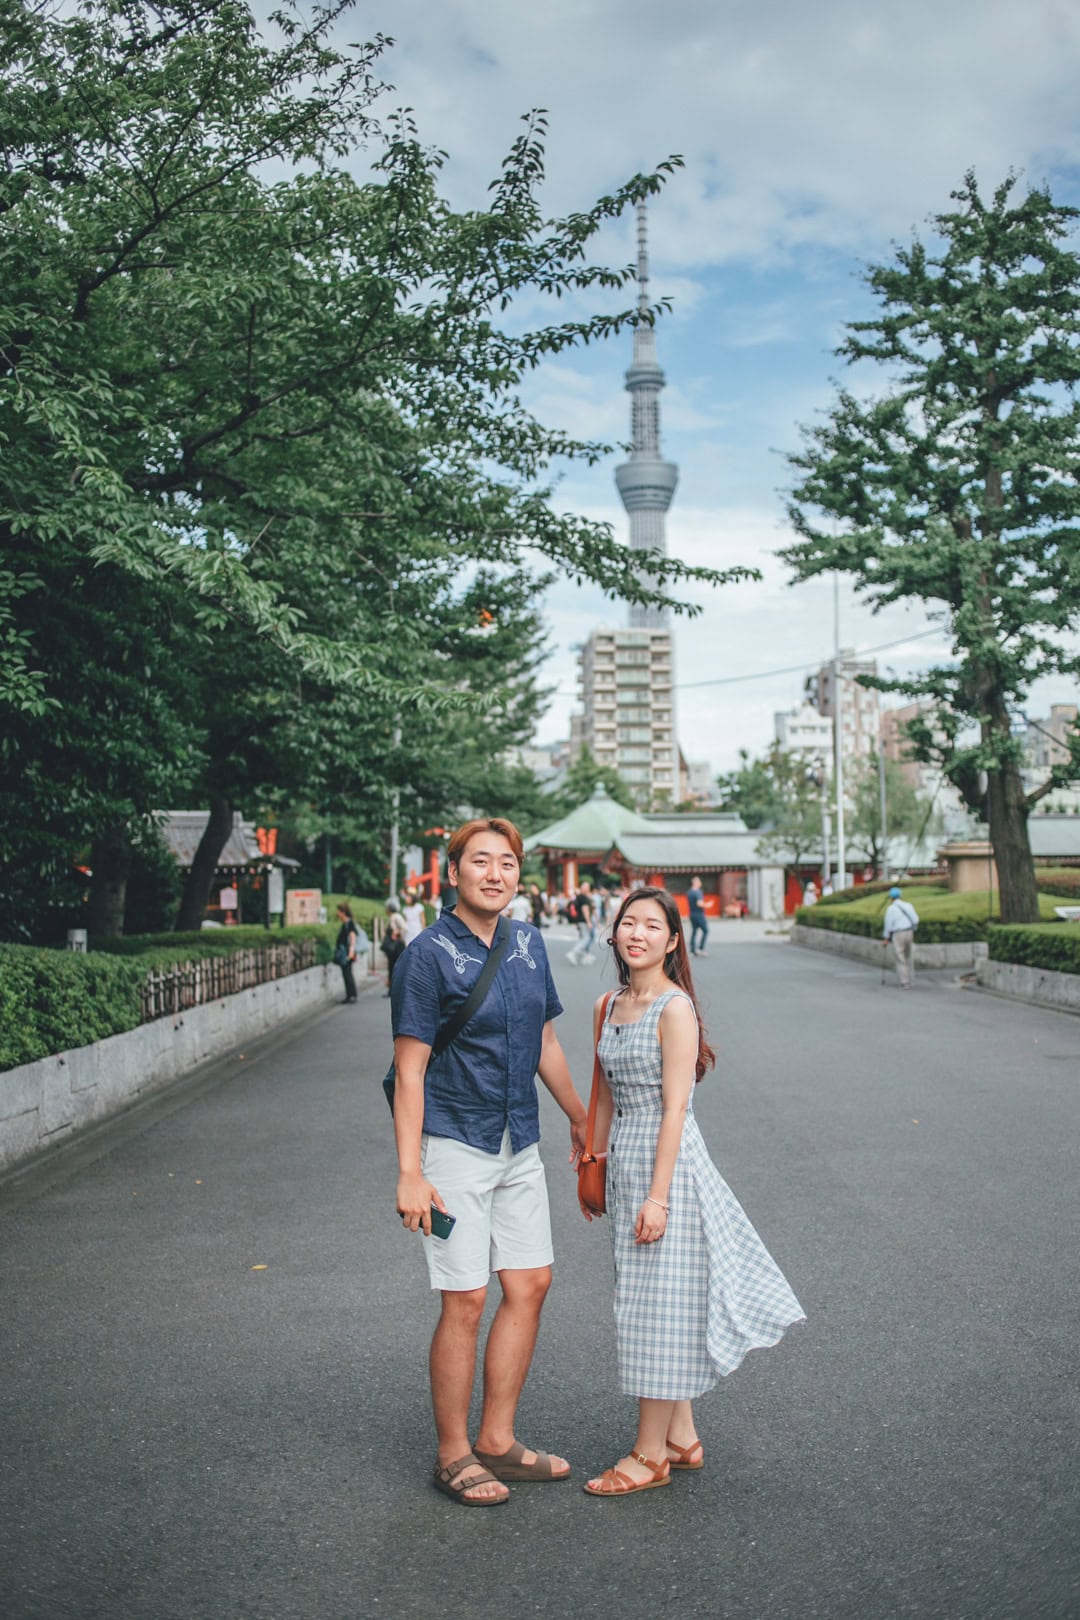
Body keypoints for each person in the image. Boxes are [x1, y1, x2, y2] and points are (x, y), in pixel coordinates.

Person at [581, 886, 804, 1498]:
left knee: (655, 1303)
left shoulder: (674, 1009)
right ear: (615, 933)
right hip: (625, 1158)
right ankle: (681, 1436)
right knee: (652, 1294)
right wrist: (591, 1163)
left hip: (668, 1164)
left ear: (672, 941)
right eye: (629, 922)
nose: (638, 933)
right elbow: (600, 1093)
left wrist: (659, 1197)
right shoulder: (607, 1004)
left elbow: (676, 1107)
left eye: (653, 926)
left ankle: (648, 1454)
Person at [391, 817, 589, 1506]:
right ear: (454, 872)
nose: (496, 873)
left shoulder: (528, 943)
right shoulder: (426, 956)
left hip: (518, 1143)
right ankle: (454, 1453)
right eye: (481, 861)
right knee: (466, 1297)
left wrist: (581, 1117)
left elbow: (546, 1044)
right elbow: (409, 1071)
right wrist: (411, 1170)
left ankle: (498, 1440)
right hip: (452, 1147)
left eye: (507, 862)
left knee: (531, 1283)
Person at [882, 885, 920, 988]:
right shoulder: (908, 905)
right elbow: (916, 919)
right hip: (909, 931)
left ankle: (905, 981)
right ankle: (912, 979)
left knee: (900, 956)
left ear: (891, 897)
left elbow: (888, 924)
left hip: (898, 934)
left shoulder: (891, 909)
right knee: (909, 956)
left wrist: (886, 938)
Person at [334, 903, 365, 1004]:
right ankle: (350, 995)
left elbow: (352, 937)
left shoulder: (349, 923)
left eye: (338, 911)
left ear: (343, 912)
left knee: (348, 974)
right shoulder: (346, 923)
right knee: (346, 973)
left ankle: (351, 995)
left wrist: (351, 952)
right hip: (347, 952)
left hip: (348, 953)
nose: (337, 913)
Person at [567, 879, 598, 966]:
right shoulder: (583, 898)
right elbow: (585, 910)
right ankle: (574, 952)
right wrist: (588, 921)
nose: (587, 888)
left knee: (586, 937)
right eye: (585, 886)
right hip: (583, 921)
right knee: (586, 938)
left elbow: (592, 908)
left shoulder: (582, 897)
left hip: (580, 921)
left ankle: (585, 954)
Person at [381, 899, 408, 996]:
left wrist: (396, 932)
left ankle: (394, 990)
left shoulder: (396, 916)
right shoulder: (393, 916)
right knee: (392, 967)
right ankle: (392, 989)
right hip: (395, 947)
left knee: (394, 967)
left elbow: (405, 928)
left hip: (397, 947)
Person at [686, 874, 708, 957]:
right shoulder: (698, 892)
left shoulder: (689, 892)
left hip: (692, 914)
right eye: (699, 881)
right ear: (696, 882)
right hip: (699, 914)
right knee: (706, 930)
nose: (700, 883)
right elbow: (699, 904)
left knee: (694, 932)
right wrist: (707, 905)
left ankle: (692, 950)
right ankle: (701, 948)